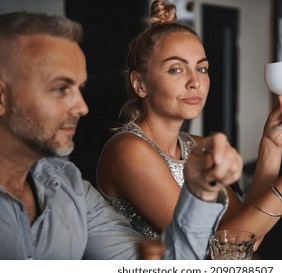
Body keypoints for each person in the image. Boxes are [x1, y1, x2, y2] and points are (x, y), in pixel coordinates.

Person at [97, 0, 282, 247]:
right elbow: (213, 253)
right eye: (176, 69)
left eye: (202, 68)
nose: (195, 82)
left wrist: (271, 146)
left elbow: (243, 234)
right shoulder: (128, 150)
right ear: (140, 83)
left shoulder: (200, 146)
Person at [0, 11, 243, 260]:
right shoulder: (126, 150)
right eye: (61, 88)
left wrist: (201, 191)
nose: (82, 107)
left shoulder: (69, 187)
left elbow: (168, 263)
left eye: (79, 88)